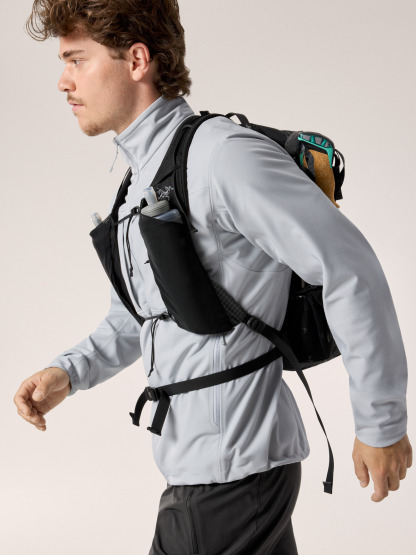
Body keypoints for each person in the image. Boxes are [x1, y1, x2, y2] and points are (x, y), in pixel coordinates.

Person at [14, 1, 412, 554]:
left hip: (230, 475)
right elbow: (140, 316)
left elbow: (348, 267)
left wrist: (380, 423)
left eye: (76, 60)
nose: (63, 81)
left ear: (137, 60)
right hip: (210, 472)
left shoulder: (222, 156)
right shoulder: (140, 181)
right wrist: (69, 371)